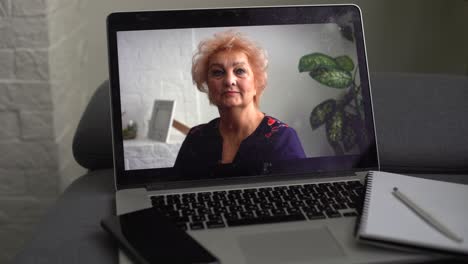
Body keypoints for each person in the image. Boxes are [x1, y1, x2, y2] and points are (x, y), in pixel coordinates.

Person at [174, 30, 305, 174]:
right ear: (207, 85)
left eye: (240, 71)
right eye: (218, 72)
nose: (229, 81)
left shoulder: (282, 138)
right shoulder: (196, 138)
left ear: (257, 82)